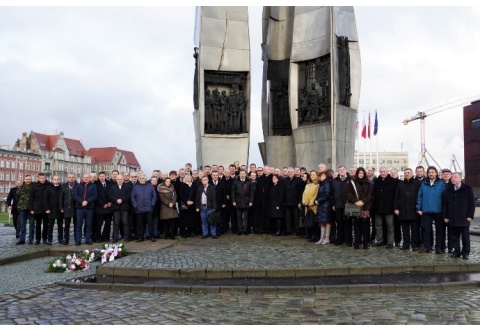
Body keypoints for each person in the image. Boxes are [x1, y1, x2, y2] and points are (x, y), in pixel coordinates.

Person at [443, 172, 475, 260]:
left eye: (455, 177)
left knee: (465, 237)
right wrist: (445, 216)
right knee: (454, 236)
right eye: (452, 177)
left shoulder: (467, 189)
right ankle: (456, 251)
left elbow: (471, 203)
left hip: (464, 217)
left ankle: (466, 252)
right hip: (452, 217)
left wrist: (470, 215)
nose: (453, 179)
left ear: (461, 179)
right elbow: (445, 204)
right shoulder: (448, 190)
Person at [416, 166, 446, 254]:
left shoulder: (441, 184)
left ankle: (438, 247)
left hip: (439, 211)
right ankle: (427, 247)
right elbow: (419, 196)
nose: (431, 174)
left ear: (436, 173)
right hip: (426, 211)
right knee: (426, 230)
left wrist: (444, 211)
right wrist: (419, 208)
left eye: (432, 172)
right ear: (427, 173)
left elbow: (445, 198)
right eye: (429, 172)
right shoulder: (424, 183)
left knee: (439, 230)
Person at [394, 168, 421, 251]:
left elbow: (420, 197)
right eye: (405, 173)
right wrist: (396, 208)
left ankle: (414, 244)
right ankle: (406, 244)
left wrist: (419, 208)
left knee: (415, 229)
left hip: (414, 210)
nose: (407, 174)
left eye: (408, 173)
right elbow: (396, 197)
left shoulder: (417, 183)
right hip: (402, 210)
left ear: (412, 174)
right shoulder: (400, 184)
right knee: (404, 229)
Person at [372, 167, 398, 248]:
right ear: (379, 172)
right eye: (381, 172)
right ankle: (379, 240)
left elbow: (395, 196)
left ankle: (390, 242)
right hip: (377, 207)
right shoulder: (376, 181)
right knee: (378, 226)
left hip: (389, 208)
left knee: (390, 226)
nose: (383, 173)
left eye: (384, 172)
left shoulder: (393, 181)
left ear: (387, 172)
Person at [347, 167, 372, 249]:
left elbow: (369, 195)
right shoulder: (352, 182)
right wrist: (356, 201)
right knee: (356, 225)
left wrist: (363, 201)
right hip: (355, 206)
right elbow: (349, 193)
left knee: (365, 226)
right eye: (359, 173)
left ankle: (365, 243)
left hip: (365, 207)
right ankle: (357, 243)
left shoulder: (368, 183)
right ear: (357, 174)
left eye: (362, 173)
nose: (361, 174)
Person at [73, 173, 98, 245]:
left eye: (87, 177)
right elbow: (75, 195)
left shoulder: (93, 186)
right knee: (79, 224)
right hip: (79, 208)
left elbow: (95, 195)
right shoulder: (78, 186)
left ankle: (87, 239)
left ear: (90, 178)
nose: (86, 178)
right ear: (82, 178)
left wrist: (87, 201)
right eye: (85, 177)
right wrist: (81, 201)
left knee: (88, 224)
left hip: (89, 207)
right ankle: (78, 240)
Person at [131, 174, 157, 242]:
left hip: (149, 208)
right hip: (139, 208)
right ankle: (141, 237)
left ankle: (152, 236)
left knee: (150, 223)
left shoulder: (150, 186)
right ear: (138, 179)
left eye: (143, 178)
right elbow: (132, 197)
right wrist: (135, 205)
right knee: (140, 224)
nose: (142, 179)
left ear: (145, 179)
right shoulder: (135, 187)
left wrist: (152, 204)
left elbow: (154, 196)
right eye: (140, 178)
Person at [108, 174, 132, 243]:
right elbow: (110, 195)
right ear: (116, 180)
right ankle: (115, 237)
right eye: (118, 179)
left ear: (123, 180)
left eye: (121, 179)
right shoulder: (112, 187)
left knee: (125, 223)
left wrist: (122, 200)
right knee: (116, 223)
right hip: (116, 207)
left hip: (124, 207)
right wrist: (116, 200)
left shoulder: (127, 187)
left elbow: (129, 195)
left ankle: (126, 237)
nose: (119, 180)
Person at [330, 166, 351, 246]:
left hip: (348, 205)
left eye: (343, 169)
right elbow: (332, 194)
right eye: (340, 170)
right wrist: (333, 204)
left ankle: (348, 240)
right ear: (338, 171)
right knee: (339, 223)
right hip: (338, 205)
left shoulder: (350, 180)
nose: (341, 171)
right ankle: (339, 239)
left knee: (347, 223)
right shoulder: (335, 181)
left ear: (346, 170)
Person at [29, 173, 51, 244]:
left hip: (46, 208)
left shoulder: (49, 185)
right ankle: (37, 239)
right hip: (37, 208)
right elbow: (31, 198)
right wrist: (31, 209)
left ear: (45, 178)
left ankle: (45, 238)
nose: (42, 179)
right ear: (38, 178)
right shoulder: (34, 186)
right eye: (41, 178)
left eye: (43, 178)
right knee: (37, 225)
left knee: (46, 225)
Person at [231, 169, 254, 235]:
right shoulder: (235, 182)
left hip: (246, 202)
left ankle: (245, 230)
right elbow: (233, 192)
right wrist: (233, 201)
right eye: (241, 174)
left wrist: (251, 201)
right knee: (239, 217)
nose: (242, 175)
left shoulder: (249, 182)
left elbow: (251, 193)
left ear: (246, 174)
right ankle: (240, 230)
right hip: (238, 202)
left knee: (246, 217)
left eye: (244, 173)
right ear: (239, 174)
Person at [283, 167, 302, 235]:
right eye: (289, 172)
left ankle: (297, 230)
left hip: (295, 202)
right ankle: (288, 230)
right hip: (287, 202)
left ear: (294, 173)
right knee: (288, 217)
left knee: (296, 217)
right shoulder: (284, 180)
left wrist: (300, 202)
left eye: (291, 172)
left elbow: (300, 192)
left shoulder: (298, 180)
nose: (290, 173)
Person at [314, 170, 332, 245]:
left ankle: (326, 238)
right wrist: (316, 199)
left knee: (326, 221)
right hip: (322, 205)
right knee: (321, 222)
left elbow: (327, 194)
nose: (321, 177)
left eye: (322, 176)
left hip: (326, 205)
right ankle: (322, 237)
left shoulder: (327, 184)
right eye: (320, 176)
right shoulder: (322, 184)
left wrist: (319, 200)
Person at [44, 175, 63, 245]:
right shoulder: (48, 188)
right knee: (50, 225)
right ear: (52, 180)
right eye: (55, 179)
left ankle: (60, 238)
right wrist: (47, 208)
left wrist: (62, 208)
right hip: (51, 209)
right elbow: (46, 199)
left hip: (59, 209)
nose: (56, 180)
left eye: (57, 179)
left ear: (59, 180)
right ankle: (49, 239)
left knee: (60, 225)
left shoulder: (62, 188)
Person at [93, 172, 111, 243]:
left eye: (103, 176)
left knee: (108, 223)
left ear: (105, 176)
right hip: (99, 207)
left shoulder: (109, 184)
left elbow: (111, 194)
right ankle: (98, 237)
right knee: (99, 224)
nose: (102, 177)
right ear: (98, 177)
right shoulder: (95, 184)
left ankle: (105, 237)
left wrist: (110, 202)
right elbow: (96, 196)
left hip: (108, 207)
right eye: (100, 176)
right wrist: (102, 204)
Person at [15, 175, 34, 245]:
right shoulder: (20, 188)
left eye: (29, 179)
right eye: (27, 179)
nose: (28, 180)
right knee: (22, 224)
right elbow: (17, 197)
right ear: (24, 180)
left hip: (31, 209)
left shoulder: (33, 187)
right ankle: (22, 239)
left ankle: (30, 239)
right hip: (22, 208)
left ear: (31, 180)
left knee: (31, 224)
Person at [59, 173, 77, 245]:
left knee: (76, 224)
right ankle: (66, 239)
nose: (71, 178)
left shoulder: (77, 186)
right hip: (66, 208)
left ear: (74, 178)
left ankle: (76, 239)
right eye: (70, 177)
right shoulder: (63, 186)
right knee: (67, 225)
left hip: (76, 207)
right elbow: (61, 198)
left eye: (72, 177)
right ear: (68, 178)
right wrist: (61, 207)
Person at [302, 171, 319, 242]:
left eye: (313, 175)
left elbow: (316, 194)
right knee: (309, 222)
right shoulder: (307, 185)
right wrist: (304, 202)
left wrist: (311, 203)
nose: (312, 176)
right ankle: (311, 235)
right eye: (311, 175)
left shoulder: (317, 185)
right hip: (307, 206)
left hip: (313, 206)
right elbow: (304, 194)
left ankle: (316, 236)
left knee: (314, 222)